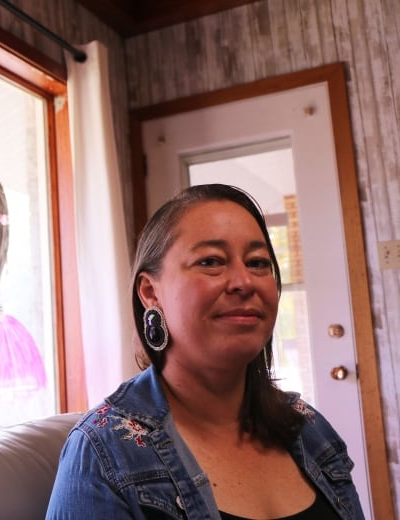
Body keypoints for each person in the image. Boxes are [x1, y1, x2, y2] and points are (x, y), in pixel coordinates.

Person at [46, 184, 363, 519]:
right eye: (211, 261)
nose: (244, 281)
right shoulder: (103, 452)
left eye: (258, 262)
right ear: (150, 292)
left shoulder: (308, 426)